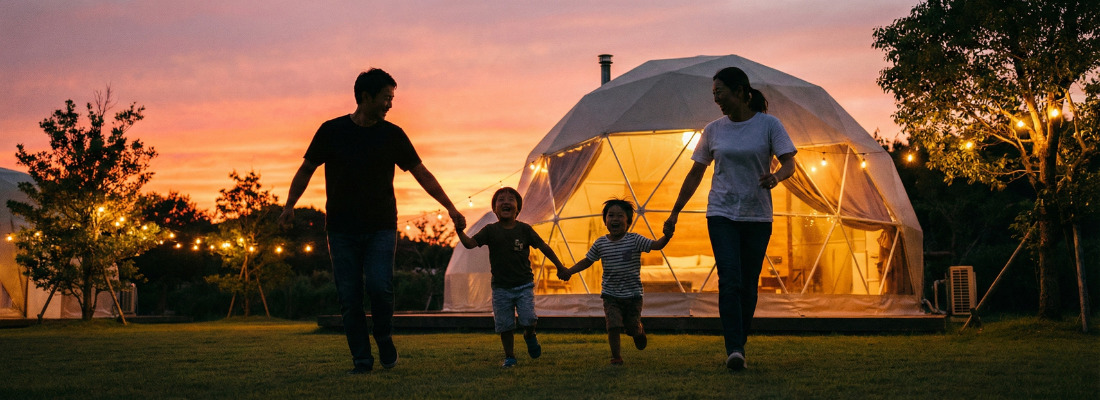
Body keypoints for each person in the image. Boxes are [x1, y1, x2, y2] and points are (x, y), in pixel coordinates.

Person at [279, 68, 466, 375]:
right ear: (365, 97)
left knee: (380, 287)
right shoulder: (331, 131)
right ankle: (361, 361)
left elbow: (422, 173)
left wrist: (450, 207)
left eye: (392, 99)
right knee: (349, 298)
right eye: (386, 98)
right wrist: (289, 206)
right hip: (341, 230)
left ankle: (383, 336)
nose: (390, 105)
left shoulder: (392, 135)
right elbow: (306, 169)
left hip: (381, 227)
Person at [663, 67, 797, 371]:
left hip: (757, 216)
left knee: (749, 285)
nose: (716, 100)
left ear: (740, 91)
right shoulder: (713, 130)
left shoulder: (769, 125)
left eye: (719, 92)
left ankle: (739, 342)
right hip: (721, 213)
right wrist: (675, 211)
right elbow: (696, 172)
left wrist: (776, 177)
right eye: (713, 94)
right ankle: (734, 349)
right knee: (730, 280)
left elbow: (790, 164)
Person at [455, 187, 566, 368]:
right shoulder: (490, 230)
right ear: (495, 209)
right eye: (500, 199)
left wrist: (560, 267)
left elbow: (544, 247)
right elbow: (469, 244)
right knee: (505, 325)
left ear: (518, 208)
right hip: (500, 288)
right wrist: (460, 231)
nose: (505, 201)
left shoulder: (525, 230)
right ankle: (510, 356)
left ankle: (529, 335)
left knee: (529, 319)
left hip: (524, 285)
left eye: (511, 199)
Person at [558, 199, 672, 366]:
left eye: (620, 216)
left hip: (633, 295)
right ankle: (616, 357)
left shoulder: (635, 240)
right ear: (605, 220)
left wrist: (667, 235)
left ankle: (639, 330)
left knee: (631, 327)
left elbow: (656, 245)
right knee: (613, 326)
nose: (615, 219)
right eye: (611, 215)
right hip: (610, 295)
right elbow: (587, 261)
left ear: (628, 221)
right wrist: (569, 271)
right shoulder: (601, 243)